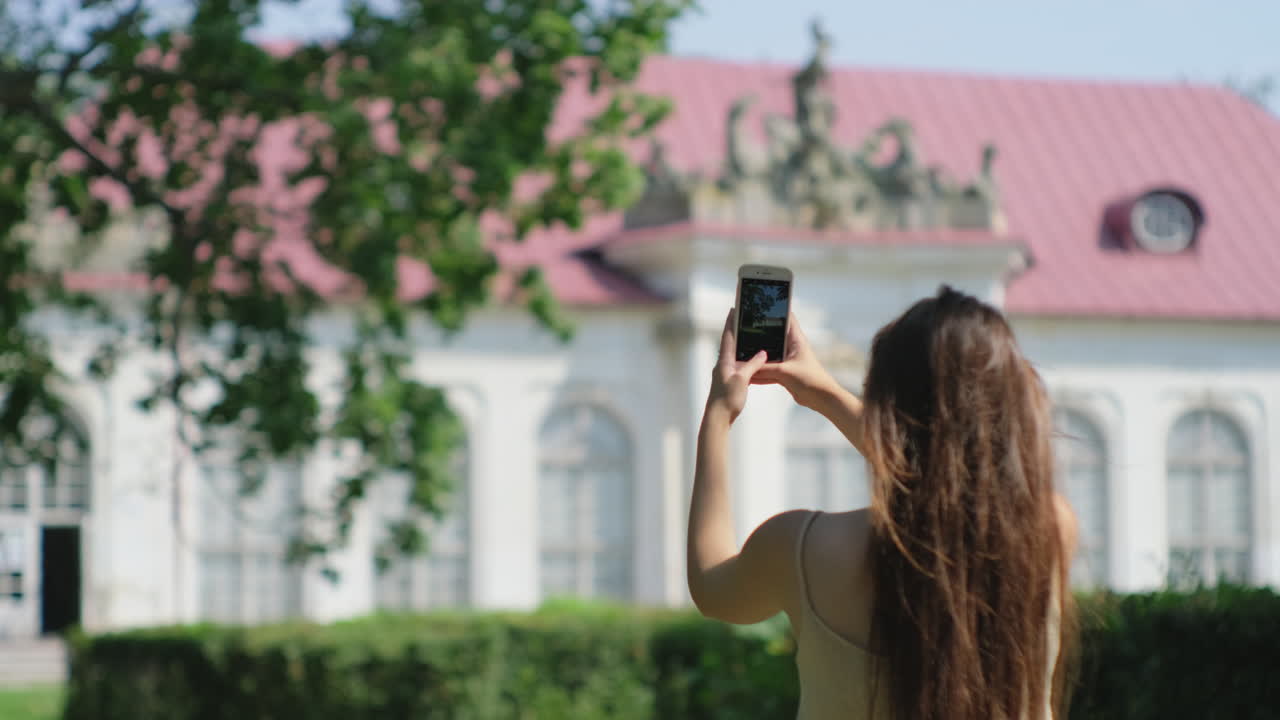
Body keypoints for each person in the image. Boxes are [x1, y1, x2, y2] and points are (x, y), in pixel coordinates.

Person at [686, 285, 1077, 720]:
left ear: (882, 405)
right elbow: (944, 481)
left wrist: (718, 416)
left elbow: (711, 585)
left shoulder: (803, 548)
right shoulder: (1050, 527)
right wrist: (823, 393)